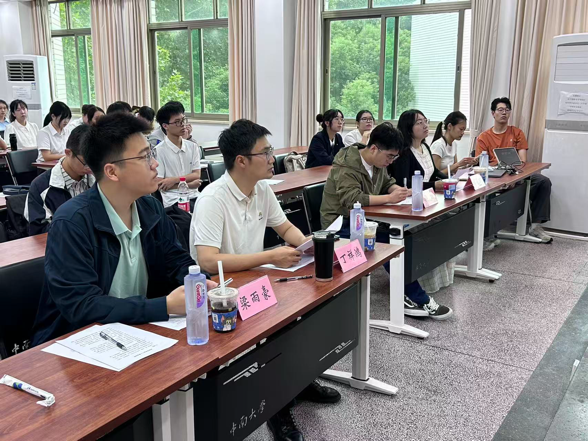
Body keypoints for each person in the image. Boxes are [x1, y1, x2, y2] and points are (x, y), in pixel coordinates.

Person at [190, 119, 340, 441]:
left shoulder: (261, 189)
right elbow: (207, 260)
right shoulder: (213, 199)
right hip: (222, 292)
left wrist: (310, 246)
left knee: (306, 307)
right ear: (241, 160)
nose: (273, 158)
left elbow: (285, 228)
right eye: (266, 152)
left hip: (255, 279)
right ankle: (277, 408)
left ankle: (300, 379)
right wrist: (269, 257)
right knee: (278, 328)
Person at [31, 113, 217, 346]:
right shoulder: (71, 223)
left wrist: (199, 283)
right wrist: (165, 306)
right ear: (112, 172)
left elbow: (177, 261)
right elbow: (82, 306)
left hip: (137, 332)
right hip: (79, 342)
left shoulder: (150, 208)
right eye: (145, 156)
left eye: (151, 153)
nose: (155, 164)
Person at [321, 122, 453, 320]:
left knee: (403, 238)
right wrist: (389, 198)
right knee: (389, 244)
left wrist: (398, 191)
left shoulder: (377, 162)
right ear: (374, 148)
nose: (391, 161)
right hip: (340, 224)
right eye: (390, 156)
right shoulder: (346, 164)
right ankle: (417, 298)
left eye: (394, 157)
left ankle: (410, 292)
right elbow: (351, 199)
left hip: (365, 220)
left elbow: (386, 182)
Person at [476, 97, 553, 243]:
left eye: (507, 110)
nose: (504, 113)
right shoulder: (483, 137)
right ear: (493, 113)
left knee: (543, 181)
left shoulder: (517, 133)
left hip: (516, 172)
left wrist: (513, 177)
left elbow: (522, 161)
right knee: (490, 189)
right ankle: (488, 230)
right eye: (500, 110)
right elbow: (482, 164)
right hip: (495, 175)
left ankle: (535, 226)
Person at [25, 125, 95, 235]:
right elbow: (39, 232)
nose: (91, 168)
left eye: (95, 162)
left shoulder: (99, 179)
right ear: (68, 153)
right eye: (85, 162)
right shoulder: (41, 187)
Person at [154, 102, 202, 209]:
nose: (182, 124)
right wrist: (189, 184)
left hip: (195, 196)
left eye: (183, 120)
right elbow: (160, 184)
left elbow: (196, 175)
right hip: (174, 200)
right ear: (165, 126)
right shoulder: (159, 151)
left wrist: (174, 180)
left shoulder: (192, 146)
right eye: (177, 122)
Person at [389, 109, 446, 190]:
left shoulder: (425, 147)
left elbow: (434, 172)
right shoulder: (403, 153)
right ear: (408, 128)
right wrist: (433, 185)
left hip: (427, 194)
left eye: (426, 121)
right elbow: (405, 183)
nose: (425, 126)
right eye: (419, 123)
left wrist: (450, 180)